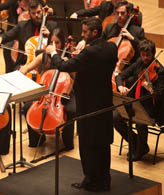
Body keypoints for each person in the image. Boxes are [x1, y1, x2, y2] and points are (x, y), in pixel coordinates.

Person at [47, 17, 118, 191]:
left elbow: (63, 66)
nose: (82, 34)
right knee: (102, 143)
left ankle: (91, 180)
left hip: (88, 103)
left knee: (87, 143)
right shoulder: (111, 47)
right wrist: (83, 52)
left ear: (94, 32)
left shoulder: (89, 53)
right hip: (105, 102)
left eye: (85, 32)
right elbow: (91, 65)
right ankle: (104, 179)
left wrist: (53, 52)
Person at [19, 28, 75, 149]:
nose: (54, 46)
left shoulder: (69, 59)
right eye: (51, 43)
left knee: (70, 110)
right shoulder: (44, 57)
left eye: (57, 43)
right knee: (28, 106)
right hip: (47, 93)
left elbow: (76, 79)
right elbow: (27, 68)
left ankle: (68, 142)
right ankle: (37, 139)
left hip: (65, 94)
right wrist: (22, 71)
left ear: (64, 43)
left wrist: (68, 65)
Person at [113, 39, 164, 161]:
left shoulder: (160, 71)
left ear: (153, 53)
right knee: (115, 117)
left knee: (141, 122)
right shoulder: (139, 63)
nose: (145, 58)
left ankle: (139, 149)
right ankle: (137, 144)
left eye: (148, 55)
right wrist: (120, 86)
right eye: (143, 55)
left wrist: (151, 89)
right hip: (136, 103)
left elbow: (160, 96)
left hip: (152, 107)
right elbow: (120, 76)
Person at [0, 0, 48, 73]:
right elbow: (0, 6)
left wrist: (48, 10)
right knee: (7, 47)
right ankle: (9, 72)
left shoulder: (36, 0)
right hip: (15, 33)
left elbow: (46, 8)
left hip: (30, 33)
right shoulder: (15, 1)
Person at [0, 0, 57, 72]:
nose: (36, 15)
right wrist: (0, 38)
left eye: (38, 12)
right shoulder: (22, 26)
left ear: (42, 11)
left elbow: (59, 45)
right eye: (33, 13)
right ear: (29, 14)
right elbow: (8, 35)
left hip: (45, 66)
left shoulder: (52, 26)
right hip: (24, 64)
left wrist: (50, 36)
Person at [70, 0, 142, 26]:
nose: (114, 1)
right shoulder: (105, 5)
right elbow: (90, 11)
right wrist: (77, 13)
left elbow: (135, 24)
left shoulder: (129, 7)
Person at [103, 0, 144, 64]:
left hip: (130, 65)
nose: (119, 15)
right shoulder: (109, 28)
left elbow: (145, 48)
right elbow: (100, 44)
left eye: (122, 13)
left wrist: (132, 38)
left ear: (128, 13)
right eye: (117, 13)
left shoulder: (138, 31)